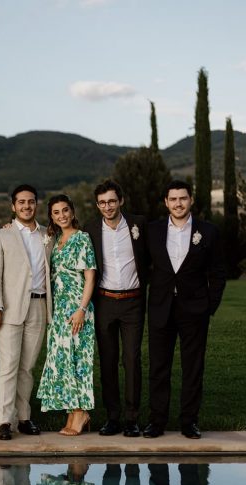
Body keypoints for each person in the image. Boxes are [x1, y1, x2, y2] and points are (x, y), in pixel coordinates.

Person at [144, 180, 226, 439]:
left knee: (193, 367)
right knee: (159, 368)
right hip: (161, 309)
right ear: (166, 202)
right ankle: (156, 422)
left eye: (183, 198)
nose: (178, 203)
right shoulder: (152, 231)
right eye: (173, 199)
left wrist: (208, 307)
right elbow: (143, 267)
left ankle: (189, 422)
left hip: (194, 311)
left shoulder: (209, 231)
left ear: (191, 200)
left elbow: (218, 273)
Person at [83, 180, 149, 438]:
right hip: (104, 302)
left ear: (120, 200)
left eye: (111, 201)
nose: (107, 207)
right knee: (107, 361)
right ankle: (112, 417)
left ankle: (132, 419)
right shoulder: (90, 229)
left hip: (133, 302)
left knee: (131, 360)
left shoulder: (138, 224)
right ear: (97, 205)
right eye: (102, 202)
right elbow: (62, 234)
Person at [0, 184, 52, 441]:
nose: (27, 206)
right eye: (21, 202)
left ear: (36, 205)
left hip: (39, 305)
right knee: (8, 366)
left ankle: (24, 417)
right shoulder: (1, 236)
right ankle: (5, 420)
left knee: (27, 367)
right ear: (13, 206)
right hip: (10, 308)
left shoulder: (49, 235)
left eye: (31, 202)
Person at [36, 194, 96, 436]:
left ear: (72, 212)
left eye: (65, 210)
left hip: (77, 309)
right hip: (59, 311)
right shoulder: (55, 240)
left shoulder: (82, 238)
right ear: (51, 217)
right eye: (56, 212)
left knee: (79, 361)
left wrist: (81, 310)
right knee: (63, 362)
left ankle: (81, 413)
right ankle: (72, 412)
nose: (62, 215)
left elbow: (90, 276)